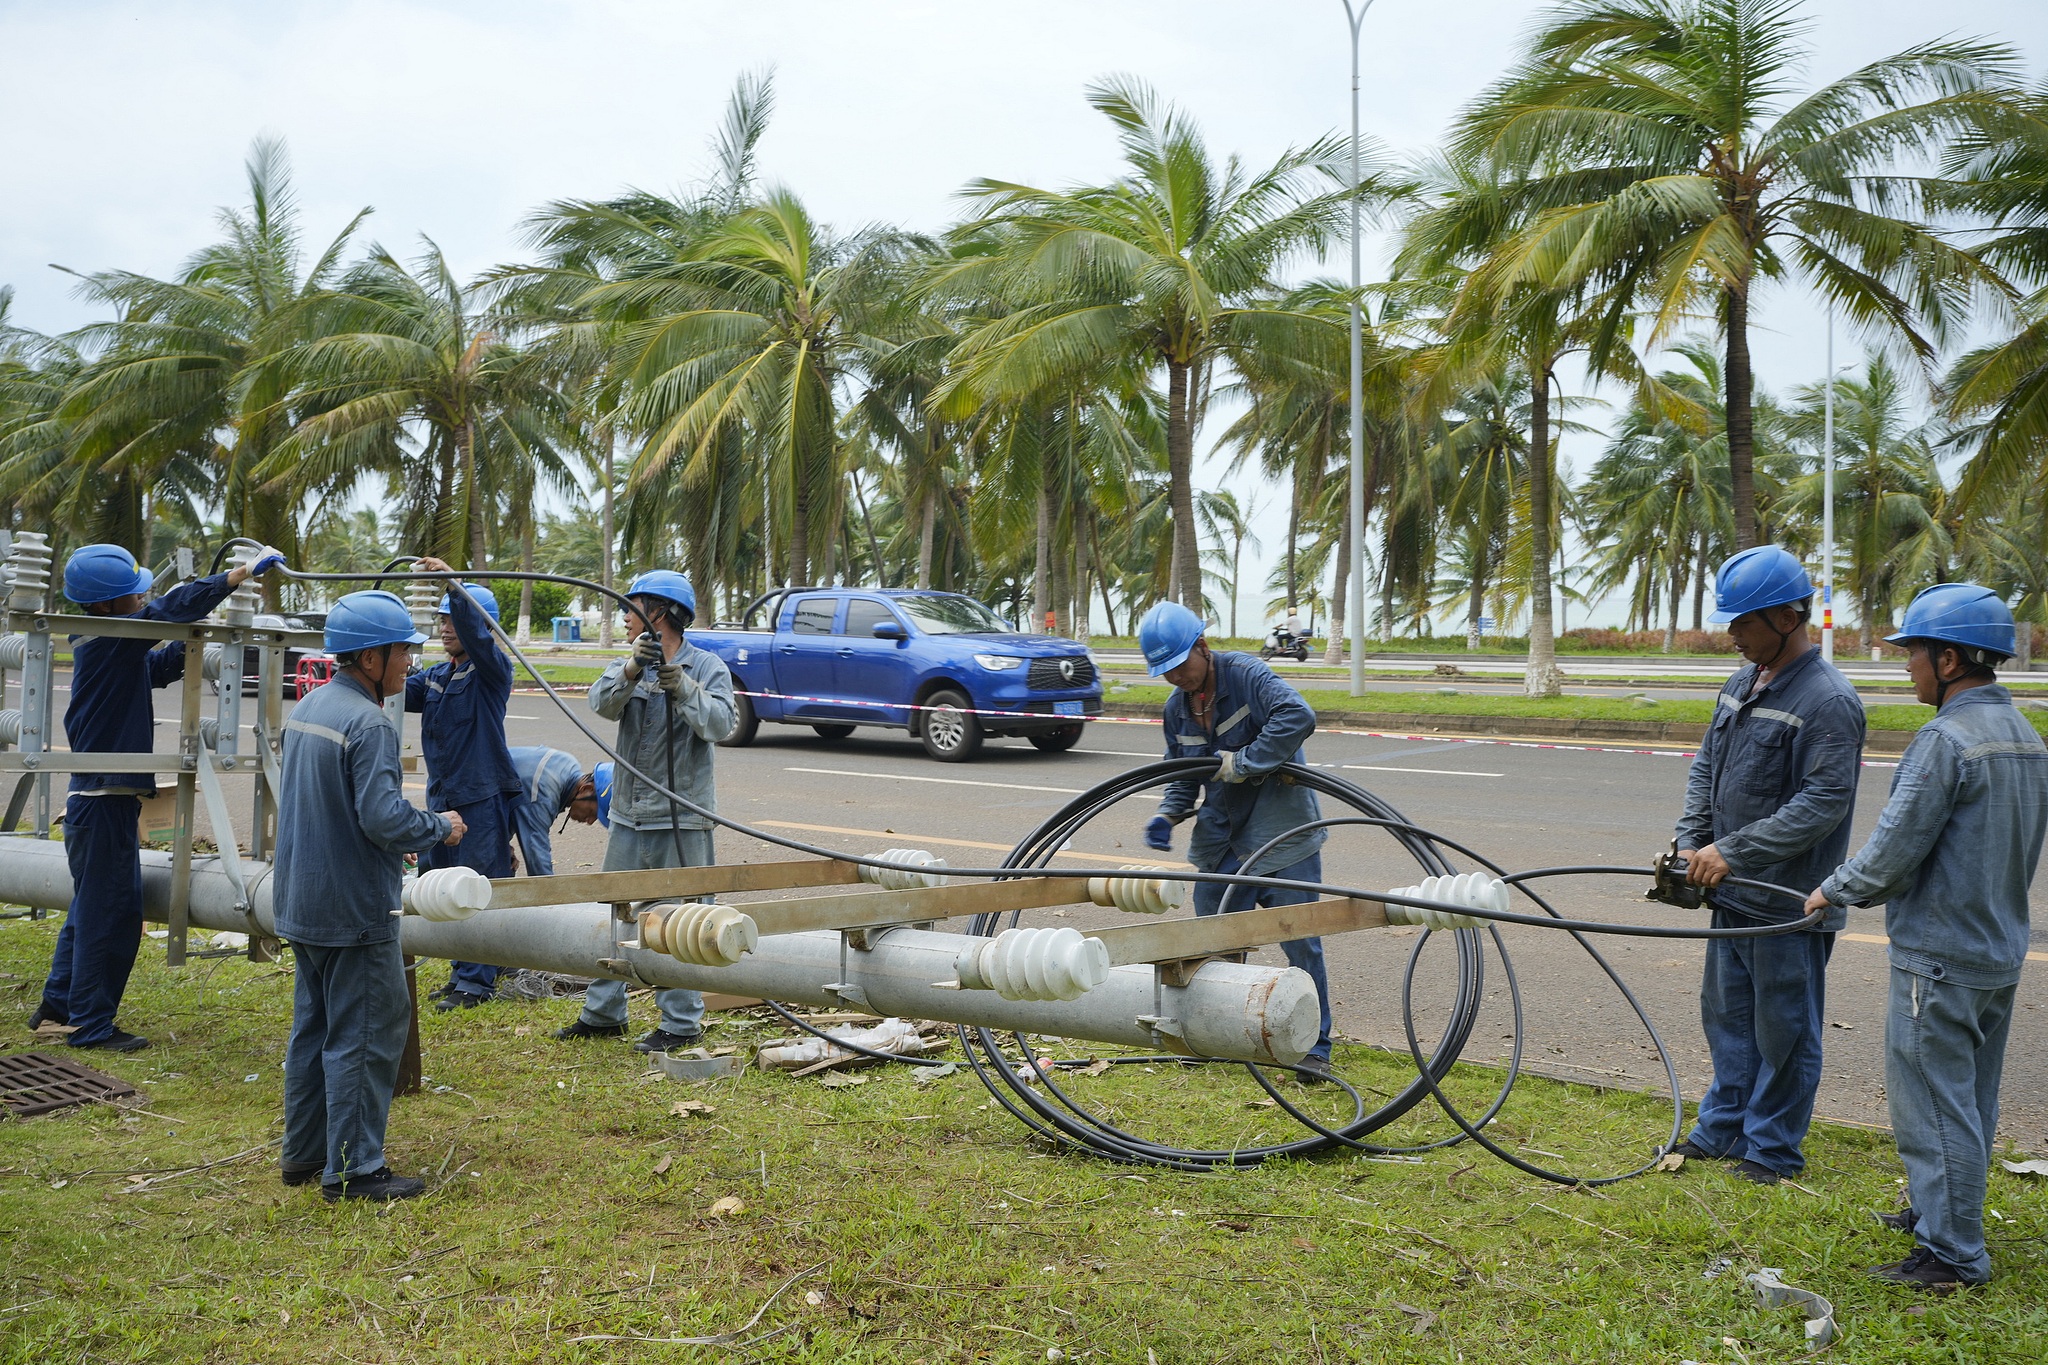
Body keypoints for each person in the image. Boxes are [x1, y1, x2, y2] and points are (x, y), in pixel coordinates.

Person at [1806, 584, 2048, 1290]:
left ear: (1950, 660)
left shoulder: (1945, 739)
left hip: (1937, 958)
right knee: (1969, 1098)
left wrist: (1830, 889)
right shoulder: (2025, 737)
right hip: (1997, 954)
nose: (1906, 666)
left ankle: (1952, 1255)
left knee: (1932, 1104)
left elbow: (1892, 849)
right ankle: (1936, 1212)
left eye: (1913, 653)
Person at [32, 542, 283, 1052]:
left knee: (90, 911)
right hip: (102, 804)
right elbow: (166, 612)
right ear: (107, 605)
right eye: (133, 591)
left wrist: (201, 649)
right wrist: (233, 577)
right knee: (110, 917)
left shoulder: (104, 645)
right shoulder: (107, 639)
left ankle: (58, 1011)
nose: (143, 593)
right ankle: (89, 1026)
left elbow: (160, 665)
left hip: (103, 802)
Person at [1667, 545, 1866, 1185]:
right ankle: (1722, 1129)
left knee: (1785, 1032)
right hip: (1729, 894)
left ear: (1788, 616)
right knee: (1727, 1020)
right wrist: (1690, 841)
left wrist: (1732, 851)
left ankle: (1773, 1151)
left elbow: (1824, 804)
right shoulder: (1740, 683)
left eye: (1743, 623)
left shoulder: (1828, 701)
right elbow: (1708, 768)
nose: (1733, 636)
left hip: (1784, 903)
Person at [274, 591, 465, 1202]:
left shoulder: (311, 708)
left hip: (302, 903)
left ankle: (303, 1155)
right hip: (353, 909)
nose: (409, 663)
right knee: (366, 1034)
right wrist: (440, 826)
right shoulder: (369, 723)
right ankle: (355, 1169)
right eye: (403, 651)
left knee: (315, 1030)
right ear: (371, 656)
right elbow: (383, 820)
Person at [1137, 600, 1335, 1082]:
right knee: (1216, 939)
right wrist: (1168, 811)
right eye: (1166, 672)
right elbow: (1183, 772)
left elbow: (1297, 716)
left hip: (1281, 830)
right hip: (1221, 840)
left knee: (1299, 938)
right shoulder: (1176, 709)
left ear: (1202, 648)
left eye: (1181, 666)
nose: (1177, 677)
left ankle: (1315, 1044)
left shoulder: (1247, 675)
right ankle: (1226, 1034)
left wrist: (1242, 763)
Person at [554, 572, 736, 1053]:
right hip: (630, 815)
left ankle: (680, 1024)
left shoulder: (708, 667)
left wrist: (685, 688)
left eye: (631, 608)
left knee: (684, 924)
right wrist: (632, 671)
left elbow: (720, 724)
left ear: (659, 613)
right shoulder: (629, 661)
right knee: (615, 915)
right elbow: (601, 704)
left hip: (683, 819)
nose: (625, 617)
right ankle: (603, 1014)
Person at [405, 560, 521, 1011]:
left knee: (474, 887)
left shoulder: (492, 670)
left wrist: (454, 586)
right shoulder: (436, 675)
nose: (446, 626)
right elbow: (390, 689)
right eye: (441, 619)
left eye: (454, 618)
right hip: (443, 800)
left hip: (482, 798)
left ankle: (478, 981)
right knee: (439, 888)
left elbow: (477, 635)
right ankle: (460, 974)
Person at [506, 746, 602, 878]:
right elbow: (537, 858)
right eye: (592, 813)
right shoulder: (543, 793)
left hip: (484, 793)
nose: (590, 821)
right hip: (473, 798)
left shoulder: (568, 764)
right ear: (586, 788)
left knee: (503, 861)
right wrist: (552, 894)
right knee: (492, 869)